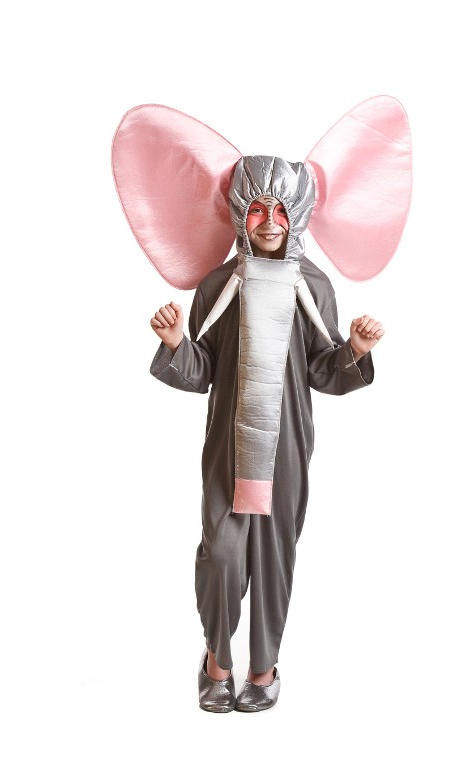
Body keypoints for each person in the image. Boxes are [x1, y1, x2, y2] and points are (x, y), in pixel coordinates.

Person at [148, 156, 384, 712]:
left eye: (281, 209)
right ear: (239, 213)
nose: (270, 221)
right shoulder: (218, 285)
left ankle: (264, 666)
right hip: (227, 446)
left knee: (274, 554)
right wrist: (178, 343)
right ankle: (216, 661)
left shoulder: (313, 285)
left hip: (287, 446)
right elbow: (202, 371)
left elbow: (323, 369)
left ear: (297, 213)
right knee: (223, 553)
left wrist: (354, 351)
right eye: (257, 208)